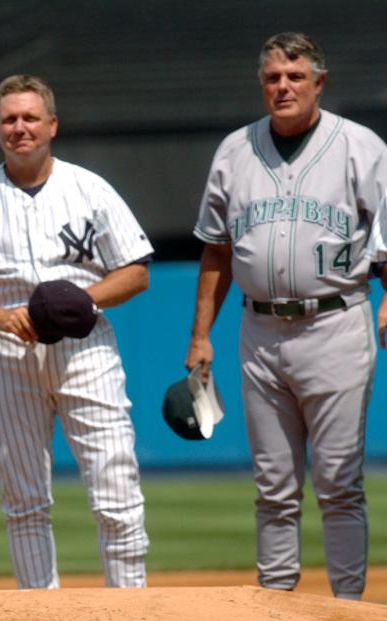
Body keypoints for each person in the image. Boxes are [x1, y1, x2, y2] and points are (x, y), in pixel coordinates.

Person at [185, 32, 387, 600]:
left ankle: (348, 607)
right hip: (259, 332)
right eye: (273, 77)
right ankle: (276, 605)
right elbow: (217, 251)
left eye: (295, 77)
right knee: (273, 486)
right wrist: (200, 335)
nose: (283, 87)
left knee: (339, 483)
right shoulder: (235, 150)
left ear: (319, 82)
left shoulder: (362, 147)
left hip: (335, 324)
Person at [0, 74, 152, 589]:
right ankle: (39, 609)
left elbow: (136, 271)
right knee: (24, 502)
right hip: (7, 353)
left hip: (86, 348)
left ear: (52, 124)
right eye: (9, 119)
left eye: (30, 117)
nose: (20, 128)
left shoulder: (89, 189)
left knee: (117, 495)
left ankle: (131, 608)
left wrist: (83, 299)